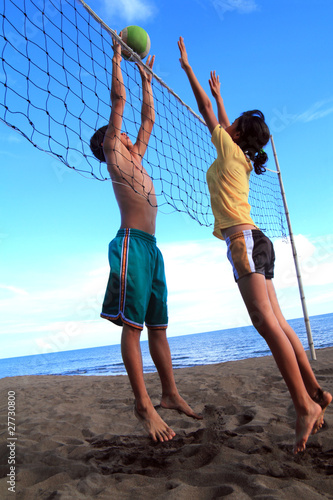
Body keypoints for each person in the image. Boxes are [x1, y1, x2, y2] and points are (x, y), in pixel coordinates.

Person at [177, 36, 331, 454]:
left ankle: (303, 406)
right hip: (258, 239)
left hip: (244, 241)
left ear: (238, 133)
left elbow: (210, 116)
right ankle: (317, 392)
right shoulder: (242, 155)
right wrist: (222, 95)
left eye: (235, 123)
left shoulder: (229, 149)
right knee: (279, 324)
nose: (228, 125)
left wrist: (189, 70)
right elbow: (226, 121)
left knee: (266, 325)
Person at [89, 35, 201, 443]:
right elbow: (118, 104)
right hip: (131, 244)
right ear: (109, 143)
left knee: (159, 327)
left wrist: (148, 79)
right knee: (132, 328)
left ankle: (169, 394)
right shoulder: (114, 154)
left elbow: (147, 120)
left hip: (152, 249)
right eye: (118, 135)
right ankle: (143, 405)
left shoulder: (135, 154)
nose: (127, 137)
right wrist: (118, 57)